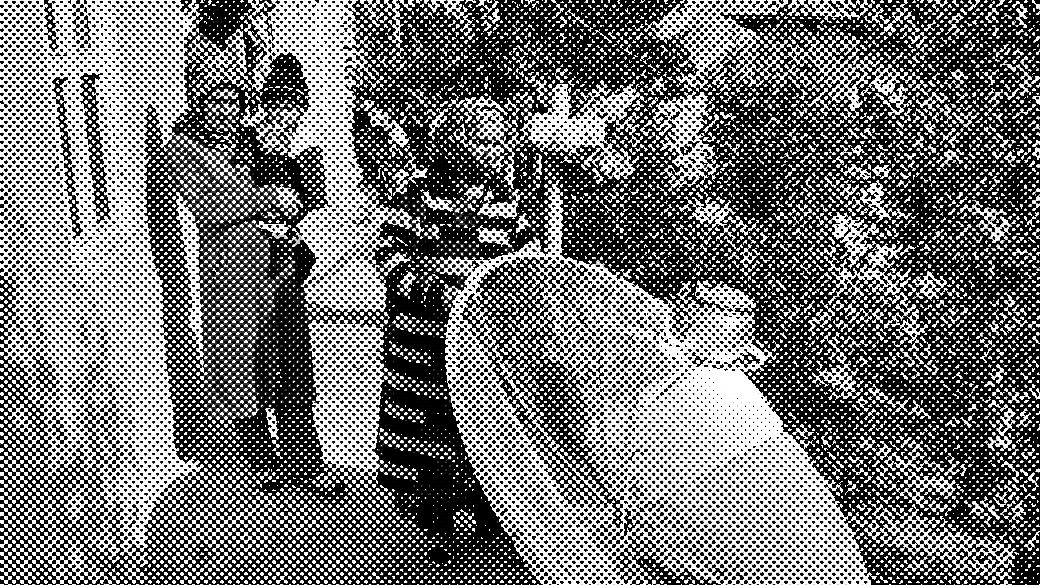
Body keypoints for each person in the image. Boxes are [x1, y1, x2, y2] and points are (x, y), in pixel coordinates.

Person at [373, 96, 540, 563]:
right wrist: (437, 289)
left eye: (500, 143)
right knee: (424, 440)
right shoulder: (414, 197)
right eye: (485, 141)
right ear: (450, 144)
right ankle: (430, 521)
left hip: (481, 346)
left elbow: (522, 263)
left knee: (489, 439)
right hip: (422, 345)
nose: (497, 152)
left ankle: (490, 519)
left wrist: (500, 290)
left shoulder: (511, 209)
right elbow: (390, 259)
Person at [152, 67, 300, 471]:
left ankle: (288, 457)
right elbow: (210, 208)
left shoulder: (240, 142)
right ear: (197, 101)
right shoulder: (180, 147)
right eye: (215, 97)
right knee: (235, 363)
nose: (226, 106)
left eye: (233, 97)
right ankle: (250, 456)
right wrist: (270, 199)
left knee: (273, 360)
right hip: (224, 268)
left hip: (265, 263)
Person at [234, 53, 344, 496]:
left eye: (292, 105)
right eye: (275, 103)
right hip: (253, 268)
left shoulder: (305, 155)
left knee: (292, 363)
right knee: (257, 361)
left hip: (289, 266)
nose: (282, 115)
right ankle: (262, 453)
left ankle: (302, 458)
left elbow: (314, 207)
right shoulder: (249, 150)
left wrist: (289, 224)